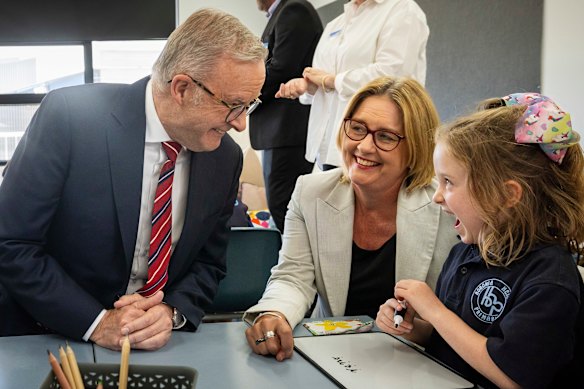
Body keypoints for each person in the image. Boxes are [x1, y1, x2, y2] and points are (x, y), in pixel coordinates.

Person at [0, 8, 267, 351]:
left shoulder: (224, 157)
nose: (241, 124)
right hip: (46, 337)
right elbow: (11, 244)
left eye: (250, 105)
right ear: (182, 89)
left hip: (159, 348)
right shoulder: (70, 118)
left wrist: (171, 312)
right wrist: (96, 323)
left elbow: (209, 263)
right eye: (233, 105)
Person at [376, 93, 584, 388]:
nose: (437, 196)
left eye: (448, 182)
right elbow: (458, 340)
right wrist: (413, 328)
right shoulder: (464, 254)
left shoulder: (550, 279)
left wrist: (434, 310)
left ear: (507, 195)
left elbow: (513, 376)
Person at [244, 76, 459, 361]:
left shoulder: (447, 204)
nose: (365, 147)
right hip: (335, 357)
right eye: (357, 129)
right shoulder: (311, 192)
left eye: (385, 136)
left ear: (416, 146)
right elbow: (293, 277)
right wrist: (274, 313)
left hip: (421, 360)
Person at [276, 0, 428, 171]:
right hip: (328, 148)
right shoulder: (336, 24)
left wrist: (331, 81)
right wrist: (309, 87)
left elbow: (392, 76)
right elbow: (323, 80)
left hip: (373, 146)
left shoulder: (402, 10)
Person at [249, 0, 323, 233]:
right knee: (282, 208)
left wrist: (243, 95)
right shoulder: (280, 15)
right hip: (278, 132)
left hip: (289, 131)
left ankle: (299, 268)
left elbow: (281, 69)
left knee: (286, 208)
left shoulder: (294, 10)